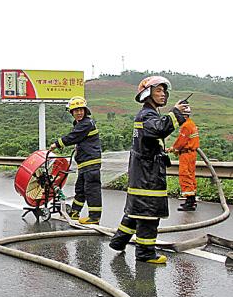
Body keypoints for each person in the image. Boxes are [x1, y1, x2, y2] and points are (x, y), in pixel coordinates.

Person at [109, 76, 188, 264]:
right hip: (147, 175)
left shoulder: (147, 114)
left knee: (135, 212)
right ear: (147, 94)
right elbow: (159, 129)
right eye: (158, 90)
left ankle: (118, 242)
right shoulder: (147, 115)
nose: (163, 94)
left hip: (143, 173)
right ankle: (145, 253)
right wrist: (175, 113)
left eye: (163, 91)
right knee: (148, 214)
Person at [49, 96, 102, 224]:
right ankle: (75, 212)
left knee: (91, 190)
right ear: (71, 112)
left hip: (91, 162)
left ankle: (94, 217)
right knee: (80, 189)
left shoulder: (86, 124)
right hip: (84, 163)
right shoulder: (80, 124)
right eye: (75, 110)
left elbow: (72, 137)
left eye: (81, 110)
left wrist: (57, 144)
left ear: (85, 110)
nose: (79, 113)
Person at [166, 106, 199, 211]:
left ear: (183, 115)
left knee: (185, 175)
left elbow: (181, 142)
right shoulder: (191, 124)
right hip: (191, 154)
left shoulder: (186, 126)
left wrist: (172, 149)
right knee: (191, 175)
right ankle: (192, 200)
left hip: (186, 154)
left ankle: (189, 202)